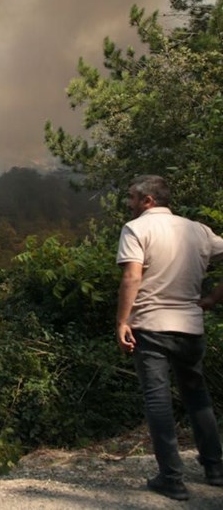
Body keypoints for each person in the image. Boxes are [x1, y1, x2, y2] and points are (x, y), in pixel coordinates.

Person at [116, 174, 223, 501]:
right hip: (190, 326)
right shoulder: (198, 230)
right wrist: (211, 300)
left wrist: (122, 321)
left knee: (157, 401)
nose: (129, 203)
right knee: (196, 394)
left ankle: (171, 478)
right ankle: (216, 469)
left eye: (133, 197)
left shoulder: (136, 229)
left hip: (151, 327)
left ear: (148, 200)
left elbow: (132, 276)